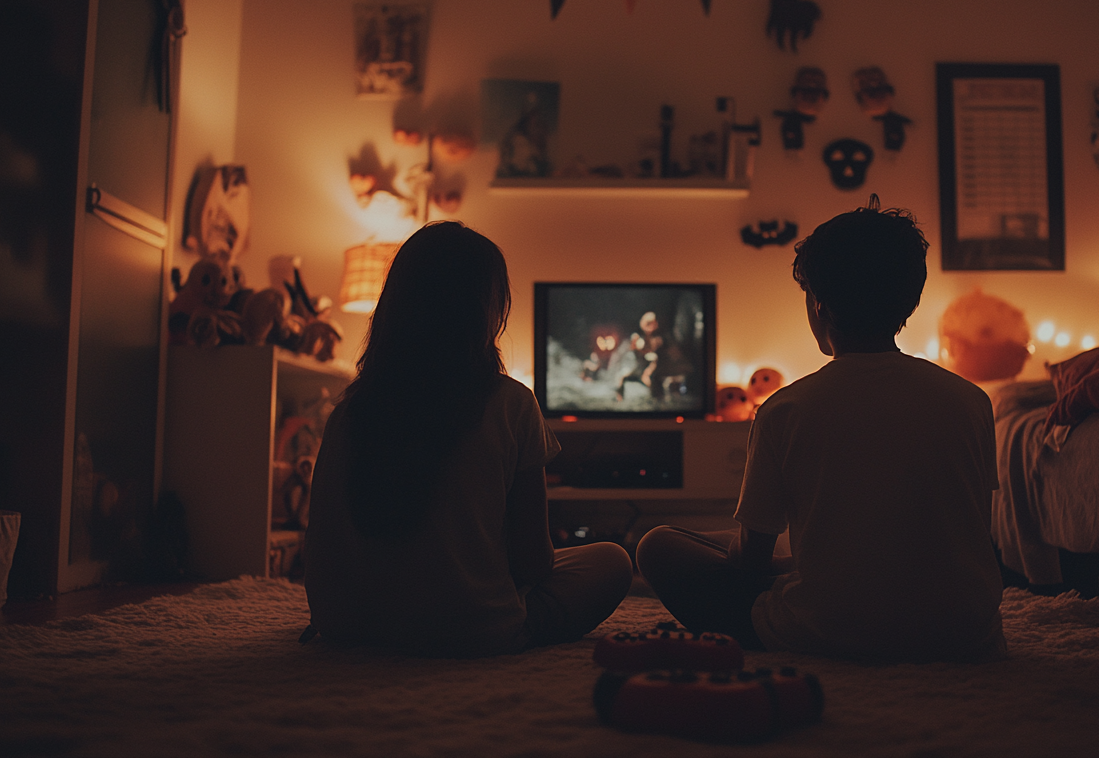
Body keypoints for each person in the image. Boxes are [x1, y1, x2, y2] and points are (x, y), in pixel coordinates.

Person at [636, 196, 1006, 663]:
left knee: (660, 545)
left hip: (829, 631)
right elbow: (963, 532)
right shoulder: (971, 400)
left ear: (817, 303)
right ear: (911, 300)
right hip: (964, 633)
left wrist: (788, 570)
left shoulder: (785, 409)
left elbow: (750, 564)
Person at [304, 221, 632, 656]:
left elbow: (323, 546)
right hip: (473, 630)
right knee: (612, 560)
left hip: (347, 626)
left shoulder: (348, 412)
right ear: (487, 309)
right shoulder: (512, 403)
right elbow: (534, 561)